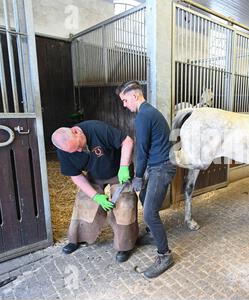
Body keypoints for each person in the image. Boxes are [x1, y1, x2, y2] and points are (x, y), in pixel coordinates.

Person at [51, 120, 138, 262]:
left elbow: (127, 141)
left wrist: (124, 167)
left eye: (79, 146)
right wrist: (96, 196)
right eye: (74, 151)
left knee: (124, 204)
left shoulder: (96, 129)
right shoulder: (65, 150)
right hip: (94, 175)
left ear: (76, 131)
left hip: (118, 171)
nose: (79, 151)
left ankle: (124, 245)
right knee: (84, 200)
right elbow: (76, 176)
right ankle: (77, 238)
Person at [116, 81, 177, 278]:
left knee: (150, 213)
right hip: (157, 164)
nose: (125, 105)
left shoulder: (143, 116)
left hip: (162, 167)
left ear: (135, 96)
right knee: (144, 197)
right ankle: (152, 234)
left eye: (125, 100)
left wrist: (138, 176)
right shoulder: (149, 112)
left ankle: (165, 255)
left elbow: (141, 151)